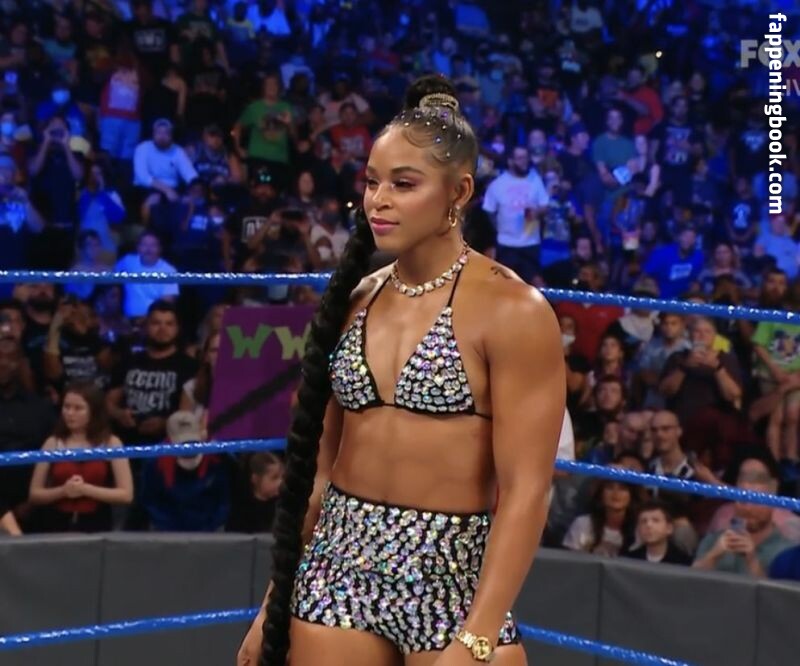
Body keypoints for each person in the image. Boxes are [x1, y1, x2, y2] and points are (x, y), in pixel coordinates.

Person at [237, 76, 565, 666]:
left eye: (403, 184)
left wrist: (478, 636)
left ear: (458, 192)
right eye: (372, 182)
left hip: (452, 575)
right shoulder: (355, 299)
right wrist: (274, 602)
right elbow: (318, 472)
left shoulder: (512, 310)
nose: (378, 200)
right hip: (339, 564)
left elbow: (527, 491)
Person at [28, 381, 133, 532]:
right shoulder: (52, 443)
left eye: (78, 408)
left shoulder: (111, 443)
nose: (70, 413)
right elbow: (34, 494)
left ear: (93, 411)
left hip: (98, 524)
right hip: (56, 524)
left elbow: (126, 494)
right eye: (66, 407)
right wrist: (63, 491)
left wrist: (85, 490)